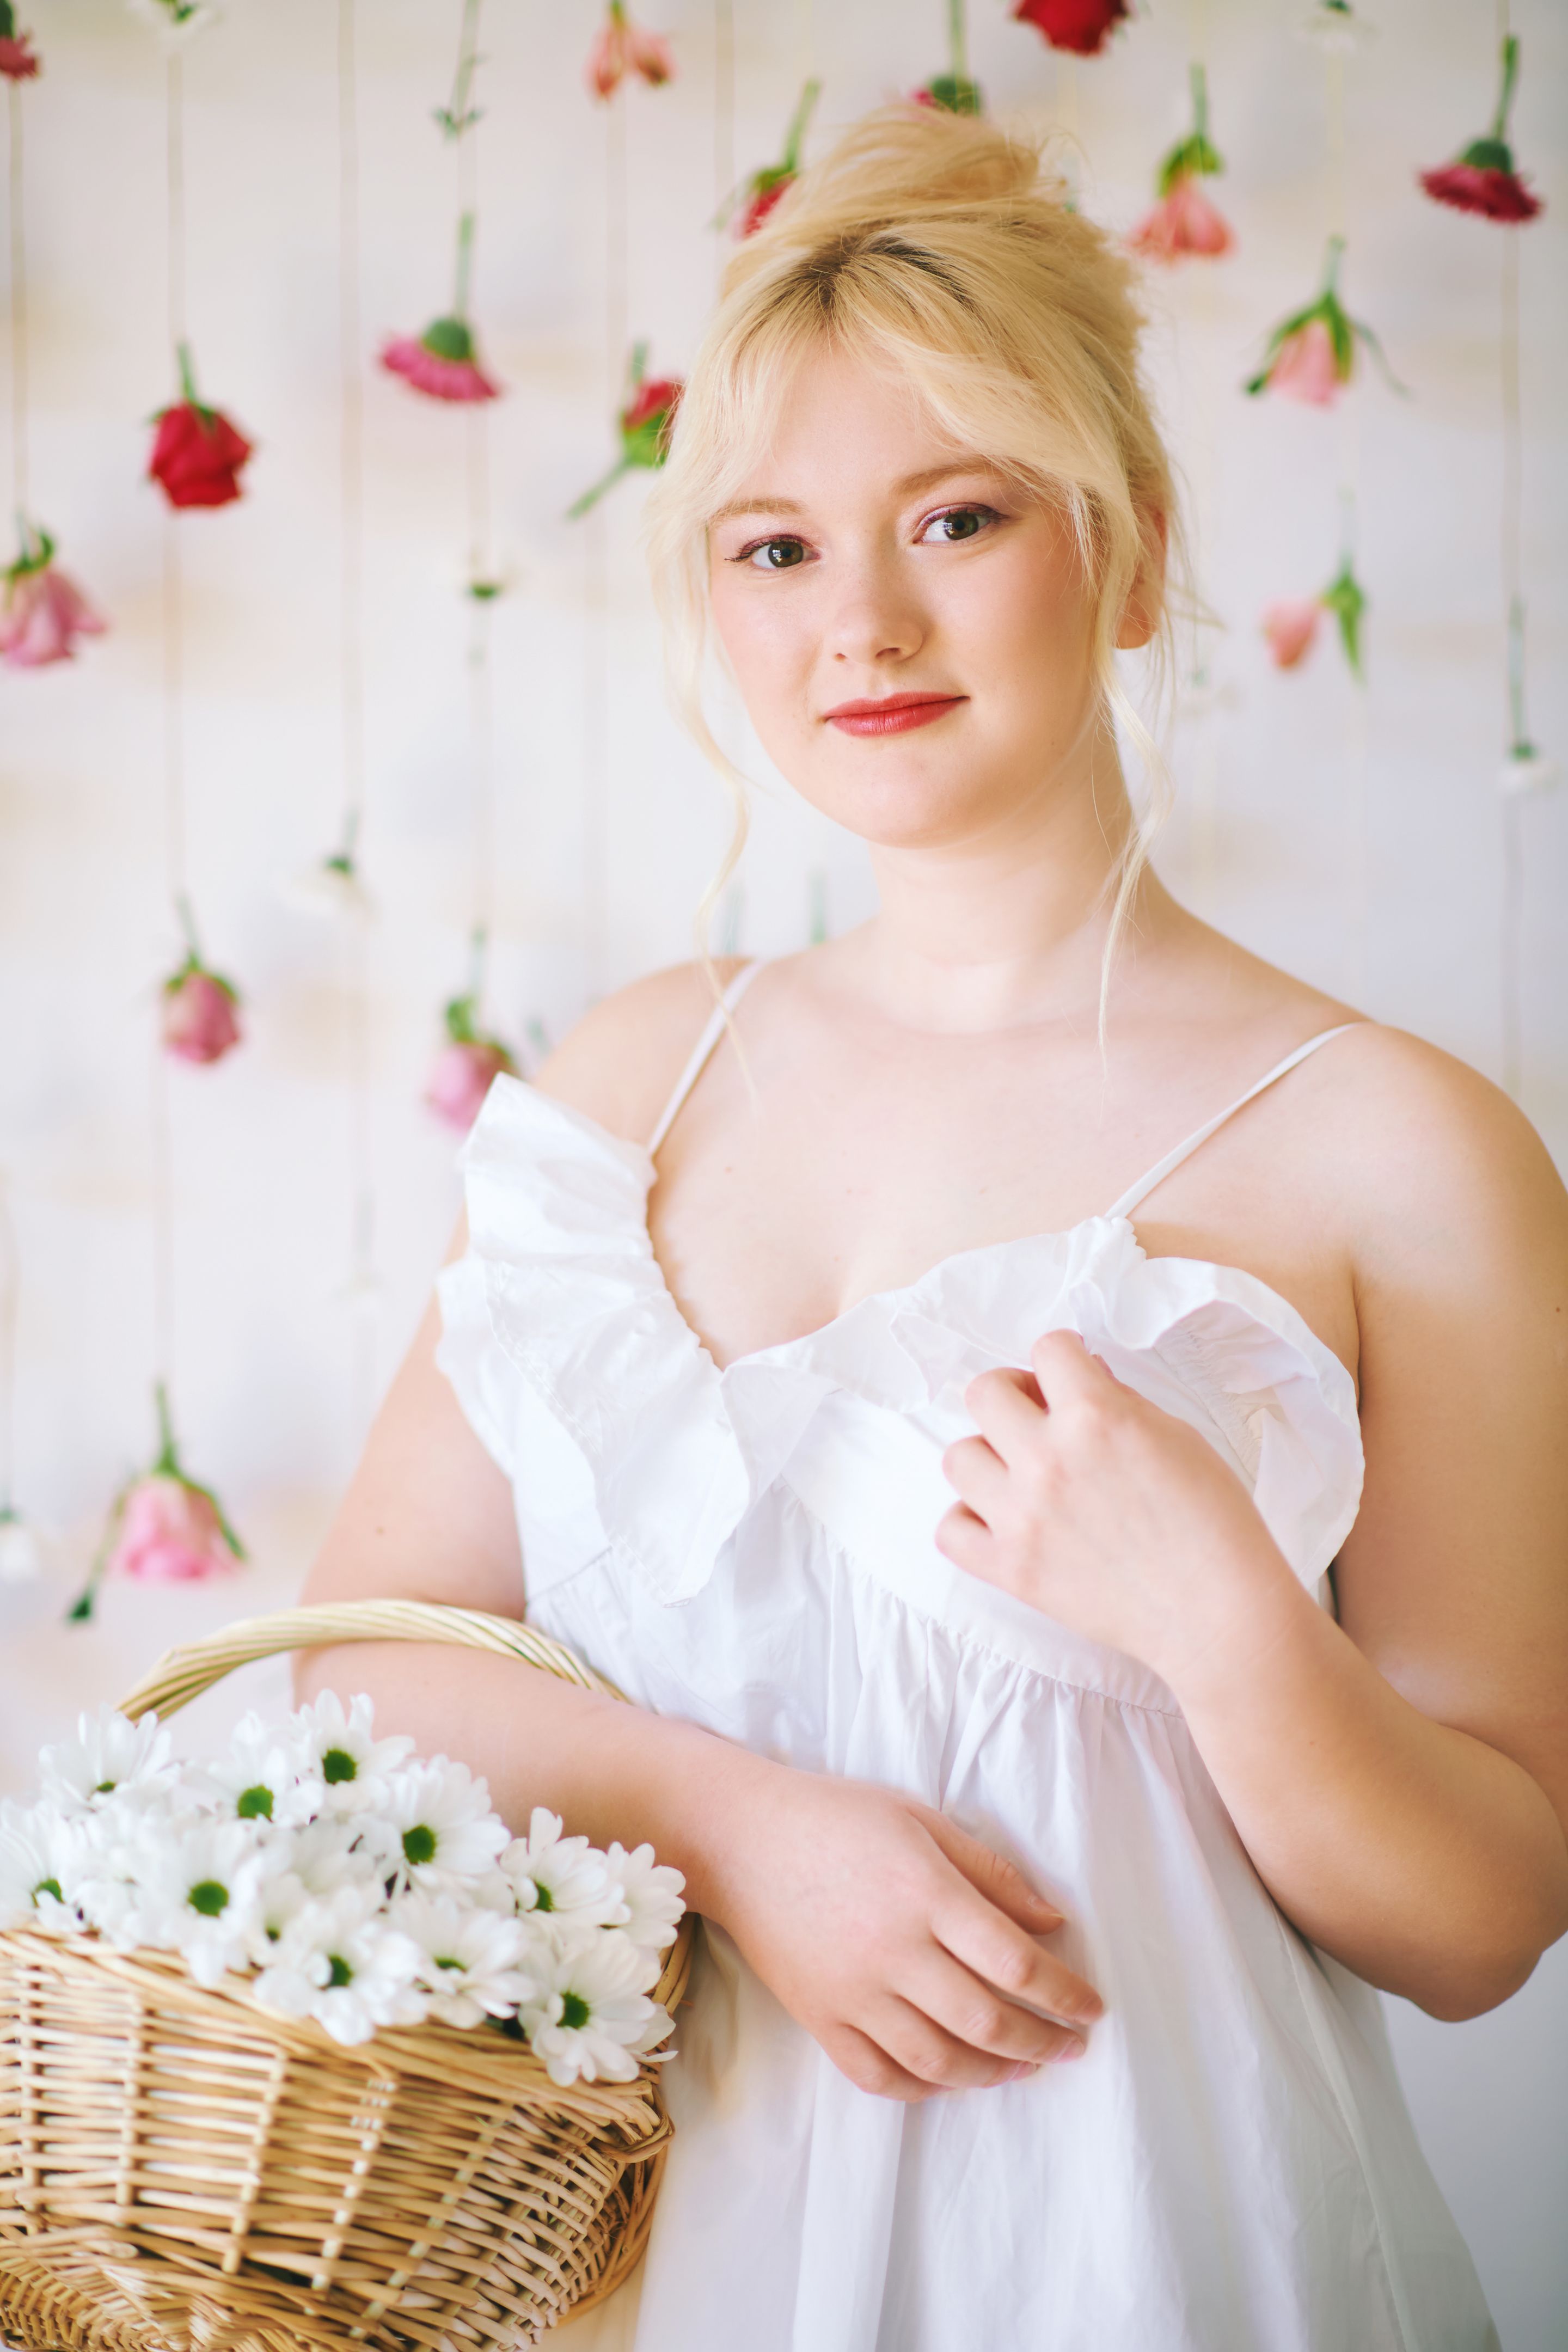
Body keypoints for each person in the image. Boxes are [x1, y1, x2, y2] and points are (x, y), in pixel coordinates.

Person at [298, 108, 1567, 2350]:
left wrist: (1227, 1626)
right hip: (665, 2271)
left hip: (1158, 2266)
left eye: (957, 519)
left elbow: (1482, 1923)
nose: (861, 623)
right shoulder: (637, 1079)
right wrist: (728, 1824)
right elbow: (358, 1676)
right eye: (775, 549)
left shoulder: (1393, 1147)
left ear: (1131, 551)